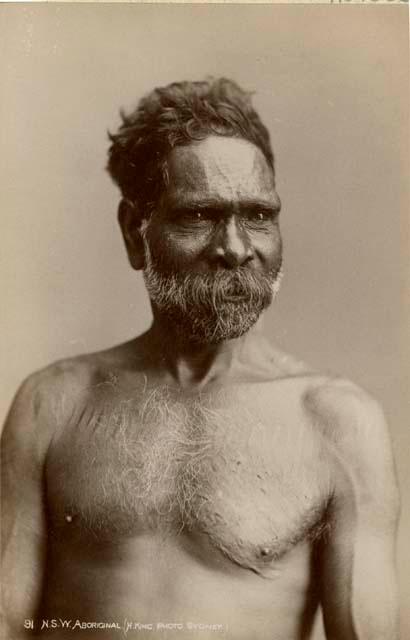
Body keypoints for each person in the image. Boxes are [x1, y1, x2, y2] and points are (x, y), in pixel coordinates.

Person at [1, 78, 400, 640]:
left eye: (259, 215)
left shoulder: (337, 422)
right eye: (199, 216)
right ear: (135, 233)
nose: (235, 248)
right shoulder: (54, 404)